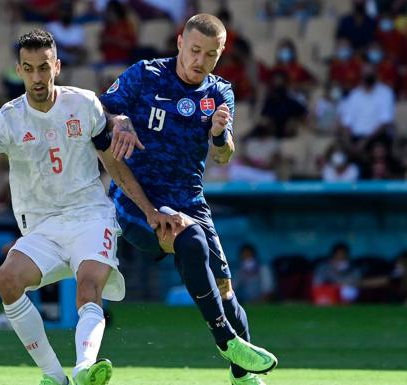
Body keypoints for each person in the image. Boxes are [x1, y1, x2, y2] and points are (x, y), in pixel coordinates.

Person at [0, 29, 177, 385]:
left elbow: (114, 164)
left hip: (90, 215)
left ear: (56, 66)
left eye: (43, 67)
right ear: (19, 70)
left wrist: (149, 209)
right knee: (6, 280)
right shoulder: (6, 119)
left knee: (87, 287)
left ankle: (83, 370)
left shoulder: (84, 104)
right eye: (28, 69)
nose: (37, 77)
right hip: (42, 226)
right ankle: (52, 376)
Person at [98, 13, 278, 385]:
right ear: (180, 42)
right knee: (189, 240)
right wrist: (120, 121)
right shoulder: (145, 74)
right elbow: (103, 108)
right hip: (136, 199)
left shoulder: (218, 94)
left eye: (210, 55)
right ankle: (226, 341)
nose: (201, 61)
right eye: (195, 50)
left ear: (220, 53)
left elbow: (225, 155)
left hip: (190, 200)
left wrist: (217, 135)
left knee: (227, 292)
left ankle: (241, 376)